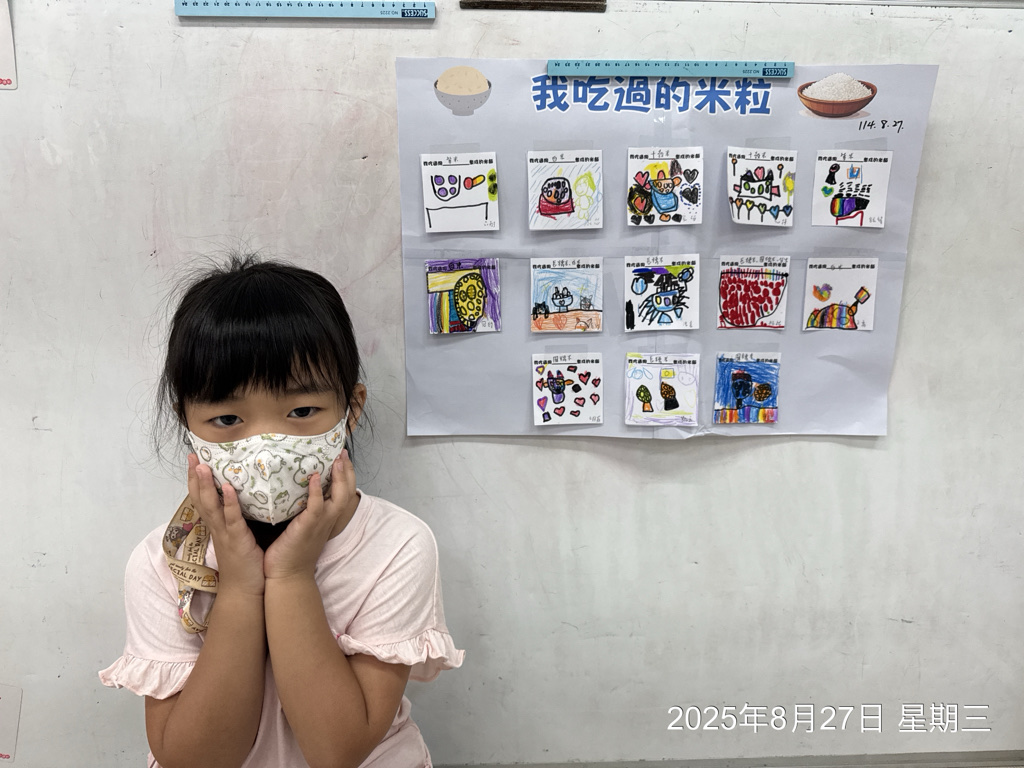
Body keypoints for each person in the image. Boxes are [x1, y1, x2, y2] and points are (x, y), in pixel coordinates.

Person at [100, 255, 463, 768]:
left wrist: (291, 576)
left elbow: (337, 752)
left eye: (301, 411)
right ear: (187, 423)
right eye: (227, 418)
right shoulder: (163, 563)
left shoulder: (397, 544)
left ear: (351, 410)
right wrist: (240, 586)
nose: (267, 450)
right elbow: (193, 761)